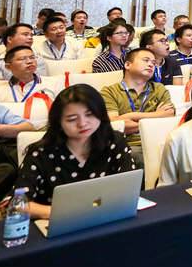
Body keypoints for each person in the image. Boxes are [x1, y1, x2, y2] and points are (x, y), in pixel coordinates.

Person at [16, 84, 136, 218]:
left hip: (106, 217)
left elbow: (129, 188)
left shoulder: (114, 142)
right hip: (56, 222)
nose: (82, 123)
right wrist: (63, 214)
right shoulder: (40, 153)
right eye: (72, 119)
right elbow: (18, 204)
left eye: (89, 115)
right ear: (58, 123)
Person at [101, 48, 176, 166]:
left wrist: (131, 117)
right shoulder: (109, 91)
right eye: (146, 60)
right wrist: (157, 116)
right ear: (127, 65)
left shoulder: (159, 88)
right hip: (129, 144)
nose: (151, 65)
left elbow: (169, 115)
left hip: (158, 141)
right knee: (139, 157)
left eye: (153, 63)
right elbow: (115, 124)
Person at [0, 47, 60, 121]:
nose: (29, 61)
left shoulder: (54, 83)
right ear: (8, 67)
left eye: (32, 57)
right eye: (22, 59)